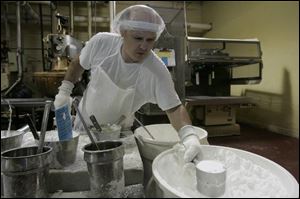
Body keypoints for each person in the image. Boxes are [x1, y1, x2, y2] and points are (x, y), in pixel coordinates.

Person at [54, 5, 202, 163]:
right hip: (83, 129)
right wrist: (64, 91)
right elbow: (78, 63)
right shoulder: (101, 43)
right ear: (123, 32)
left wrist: (189, 136)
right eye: (138, 38)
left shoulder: (156, 72)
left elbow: (174, 108)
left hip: (119, 138)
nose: (144, 46)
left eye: (150, 40)